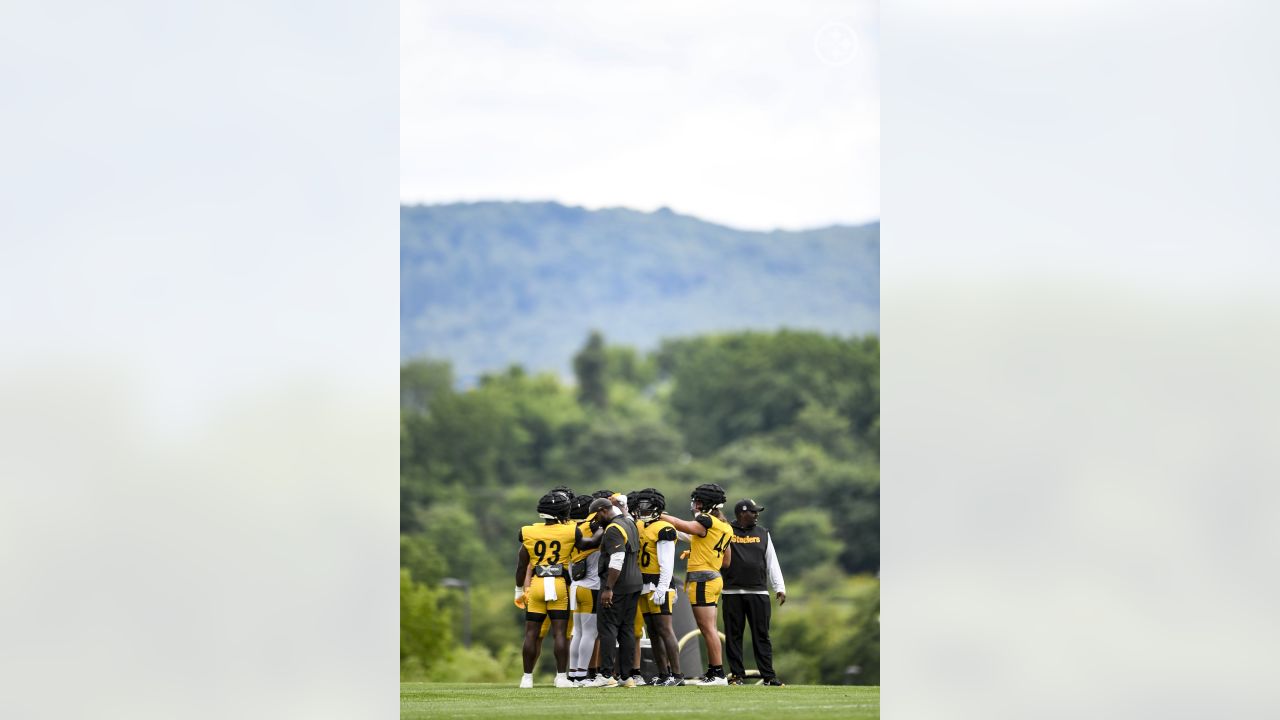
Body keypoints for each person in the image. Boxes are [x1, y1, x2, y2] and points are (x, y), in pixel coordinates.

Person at [660, 482, 733, 686]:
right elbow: (726, 561)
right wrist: (699, 552)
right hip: (714, 577)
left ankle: (717, 673)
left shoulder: (706, 520)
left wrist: (659, 516)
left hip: (702, 579)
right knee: (708, 627)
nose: (694, 505)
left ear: (706, 504)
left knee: (707, 628)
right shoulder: (725, 526)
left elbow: (683, 526)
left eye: (698, 501)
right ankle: (715, 671)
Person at [514, 491, 584, 688]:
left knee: (531, 633)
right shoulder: (570, 531)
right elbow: (587, 544)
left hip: (537, 583)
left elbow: (521, 565)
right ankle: (561, 677)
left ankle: (526, 678)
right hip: (559, 584)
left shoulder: (528, 531)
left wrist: (519, 589)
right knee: (560, 633)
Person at [722, 498, 787, 687]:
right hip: (731, 592)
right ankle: (736, 676)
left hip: (758, 592)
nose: (757, 514)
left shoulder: (763, 533)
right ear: (742, 513)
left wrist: (779, 587)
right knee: (733, 636)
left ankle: (769, 676)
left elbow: (772, 561)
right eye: (753, 511)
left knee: (762, 635)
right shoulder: (727, 531)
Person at [581, 495, 642, 688]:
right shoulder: (629, 522)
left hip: (618, 585)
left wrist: (608, 588)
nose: (596, 521)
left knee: (607, 629)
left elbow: (617, 559)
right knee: (626, 629)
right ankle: (626, 676)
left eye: (596, 517)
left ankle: (606, 675)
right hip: (634, 583)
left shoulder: (614, 528)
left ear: (603, 511)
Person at [635, 488, 685, 686]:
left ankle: (678, 675)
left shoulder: (664, 528)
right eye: (641, 507)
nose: (642, 511)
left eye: (646, 508)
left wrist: (662, 587)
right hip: (644, 584)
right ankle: (663, 673)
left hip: (659, 583)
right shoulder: (639, 525)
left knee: (665, 629)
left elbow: (666, 563)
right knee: (653, 631)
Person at [566, 493, 605, 686]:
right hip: (592, 587)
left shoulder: (571, 529)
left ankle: (573, 673)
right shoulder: (593, 528)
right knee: (589, 633)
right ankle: (582, 675)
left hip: (575, 586)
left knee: (578, 632)